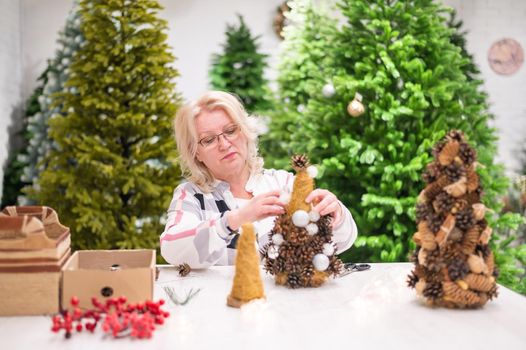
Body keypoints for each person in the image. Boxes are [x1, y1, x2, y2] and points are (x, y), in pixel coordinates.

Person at [160, 91, 357, 268]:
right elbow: (171, 249)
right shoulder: (191, 195)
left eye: (230, 131)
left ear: (245, 132)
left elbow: (342, 241)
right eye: (209, 140)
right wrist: (235, 220)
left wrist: (335, 213)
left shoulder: (283, 183)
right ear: (196, 154)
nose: (224, 144)